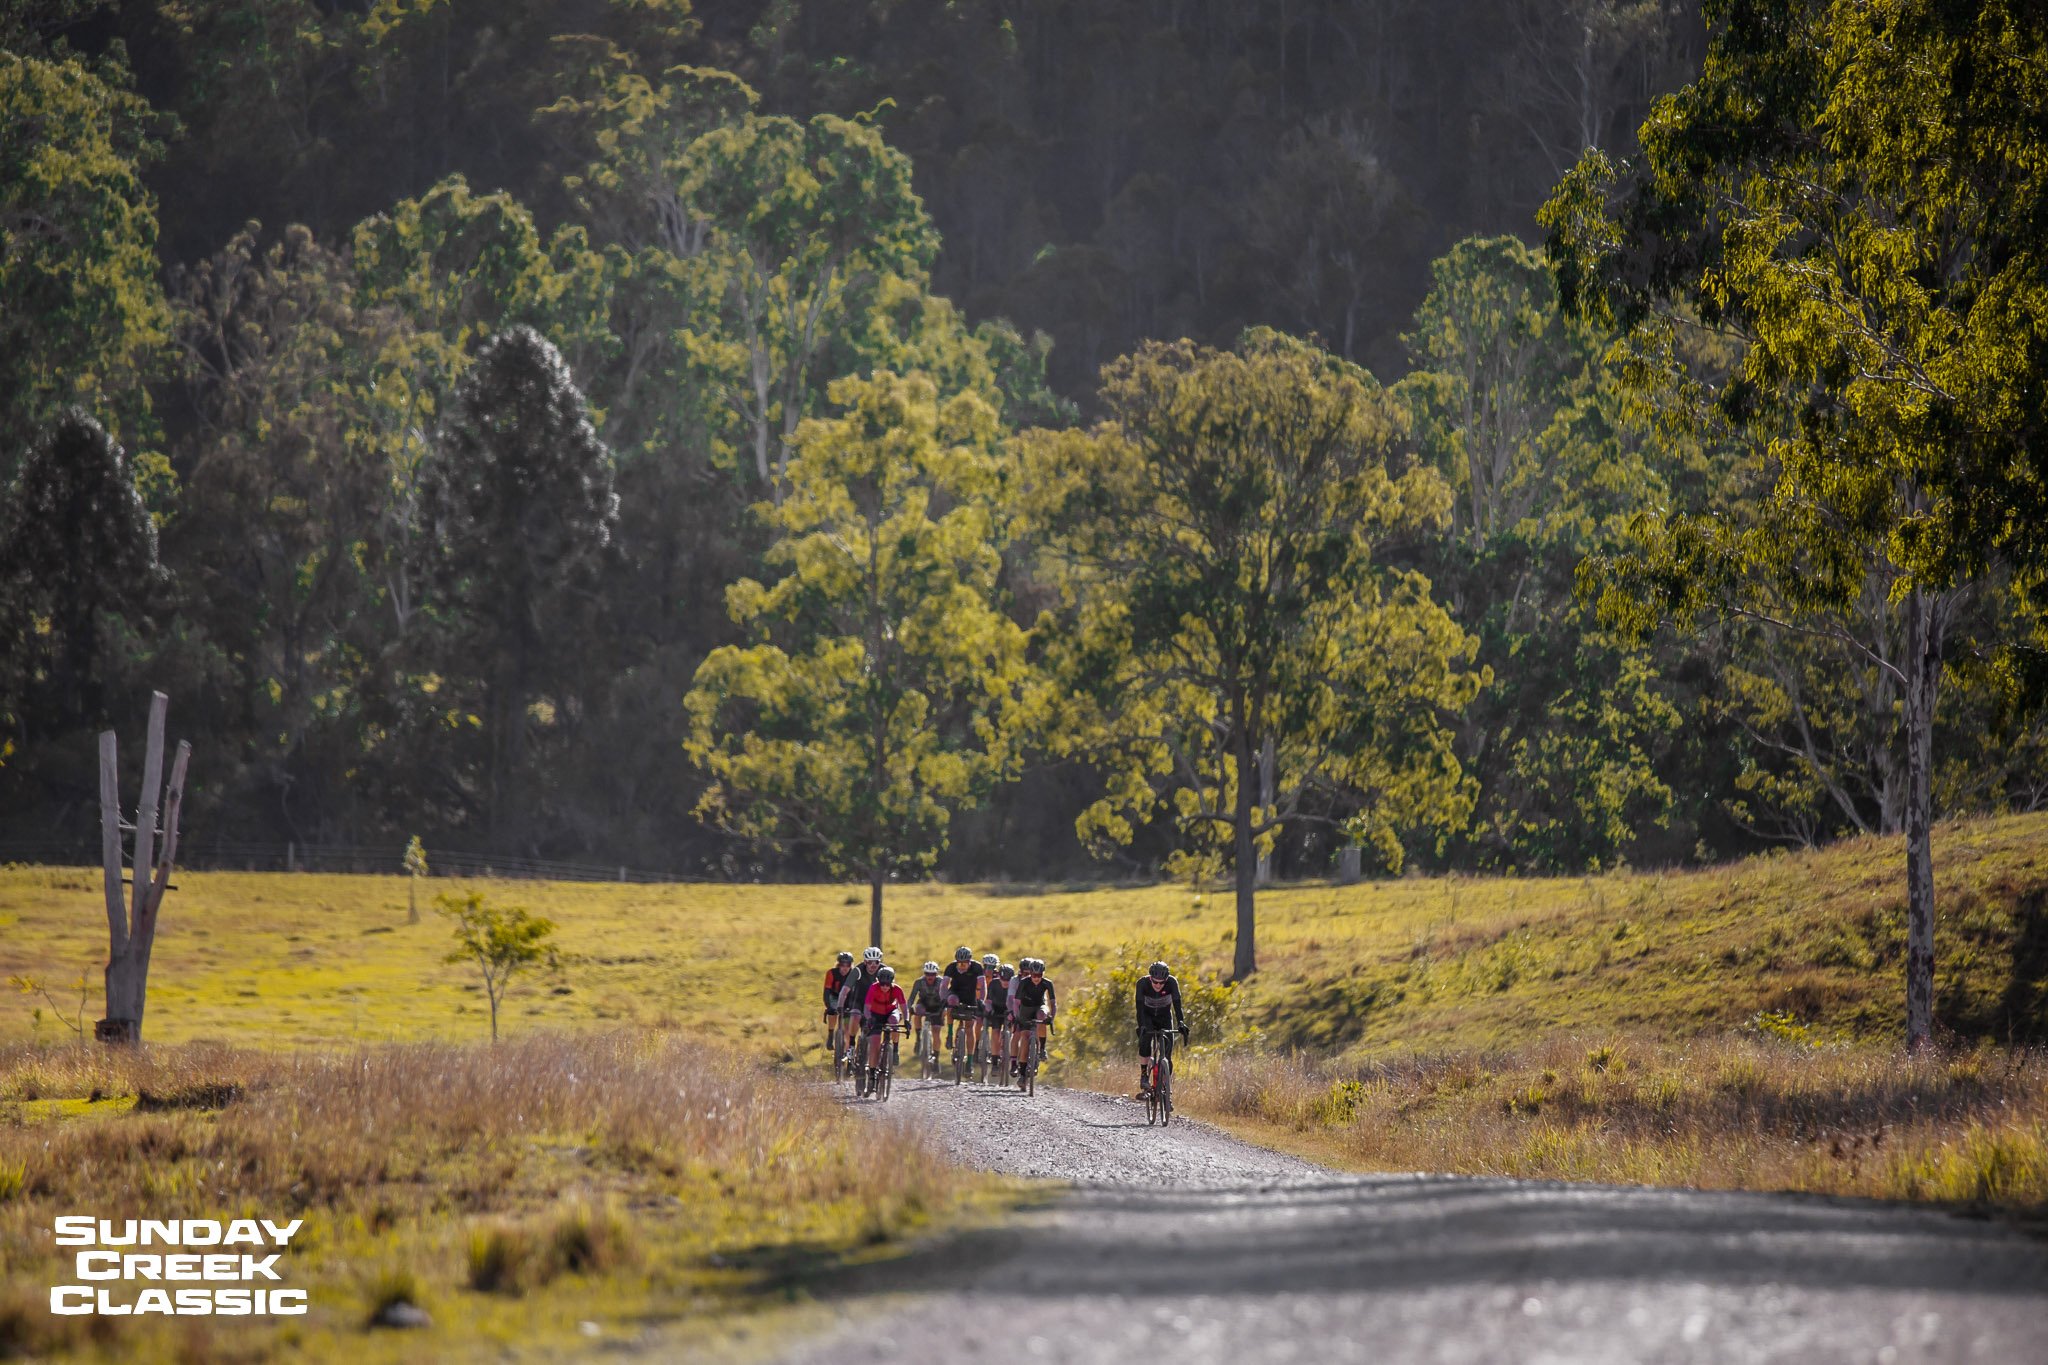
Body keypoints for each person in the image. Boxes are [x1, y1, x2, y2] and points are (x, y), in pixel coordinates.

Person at [1135, 960, 1187, 1099]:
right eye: (1155, 982)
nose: (1158, 985)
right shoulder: (1142, 983)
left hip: (1164, 1016)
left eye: (1161, 982)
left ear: (1166, 980)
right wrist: (1141, 1026)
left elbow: (1177, 1004)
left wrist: (1181, 1022)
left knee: (1168, 1053)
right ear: (1150, 978)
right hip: (1147, 1016)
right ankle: (1144, 1075)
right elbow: (1139, 1008)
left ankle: (1164, 1088)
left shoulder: (1172, 983)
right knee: (1145, 1041)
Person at [838, 947, 885, 1072]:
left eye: (876, 962)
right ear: (865, 962)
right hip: (858, 1002)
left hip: (875, 1004)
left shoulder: (884, 971)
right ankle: (851, 1045)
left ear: (879, 962)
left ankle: (877, 1060)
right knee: (855, 1016)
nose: (873, 965)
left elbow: (892, 991)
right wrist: (840, 1005)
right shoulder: (858, 971)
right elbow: (845, 990)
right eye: (869, 962)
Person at [861, 964, 908, 1088]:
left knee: (894, 1022)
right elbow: (866, 1008)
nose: (885, 987)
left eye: (888, 984)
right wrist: (869, 1018)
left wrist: (907, 1019)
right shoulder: (873, 988)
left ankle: (895, 1049)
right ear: (878, 981)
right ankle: (871, 1074)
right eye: (882, 984)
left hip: (890, 1012)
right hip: (875, 1014)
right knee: (875, 1044)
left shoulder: (897, 989)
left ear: (892, 982)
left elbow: (903, 1006)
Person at [942, 946, 986, 1071]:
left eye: (964, 963)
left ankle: (970, 1062)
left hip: (970, 996)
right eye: (959, 963)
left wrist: (981, 1000)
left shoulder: (977, 968)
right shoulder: (951, 967)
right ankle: (950, 1034)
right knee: (951, 1001)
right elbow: (944, 985)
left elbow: (983, 986)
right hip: (955, 993)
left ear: (969, 962)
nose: (961, 966)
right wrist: (943, 999)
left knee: (969, 1027)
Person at [1012, 957, 1057, 1075]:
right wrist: (1017, 1016)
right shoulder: (1023, 982)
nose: (1036, 978)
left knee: (1042, 1016)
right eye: (1034, 975)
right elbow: (1016, 1002)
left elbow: (1053, 1003)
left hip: (1039, 1007)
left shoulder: (1047, 983)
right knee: (1025, 1039)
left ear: (1043, 974)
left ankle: (1042, 1048)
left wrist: (1052, 1017)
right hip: (1025, 1009)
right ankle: (1022, 1072)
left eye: (1039, 975)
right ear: (1030, 974)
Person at [908, 961, 948, 1069]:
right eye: (927, 974)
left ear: (937, 974)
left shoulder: (941, 982)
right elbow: (912, 997)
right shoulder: (919, 982)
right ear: (924, 973)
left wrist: (944, 1009)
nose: (930, 977)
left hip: (937, 1006)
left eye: (933, 974)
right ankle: (918, 1038)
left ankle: (936, 1058)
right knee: (917, 1011)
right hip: (924, 1004)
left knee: (936, 1031)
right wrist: (909, 1007)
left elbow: (946, 997)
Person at [823, 951, 856, 1062]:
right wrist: (828, 1006)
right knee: (832, 1011)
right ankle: (831, 1033)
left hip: (848, 999)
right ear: (838, 964)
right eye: (842, 964)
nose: (845, 968)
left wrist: (852, 1008)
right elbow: (826, 992)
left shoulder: (854, 974)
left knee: (847, 1028)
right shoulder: (832, 973)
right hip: (834, 996)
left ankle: (847, 1052)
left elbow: (855, 993)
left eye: (847, 965)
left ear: (851, 965)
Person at [988, 962, 1017, 1077]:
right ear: (998, 976)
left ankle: (1011, 1055)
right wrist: (989, 1009)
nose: (1005, 982)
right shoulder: (993, 984)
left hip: (1009, 1011)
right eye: (1003, 979)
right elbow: (988, 1001)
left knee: (1013, 1032)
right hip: (997, 1010)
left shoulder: (1015, 985)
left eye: (1008, 980)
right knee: (995, 1032)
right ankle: (995, 1062)